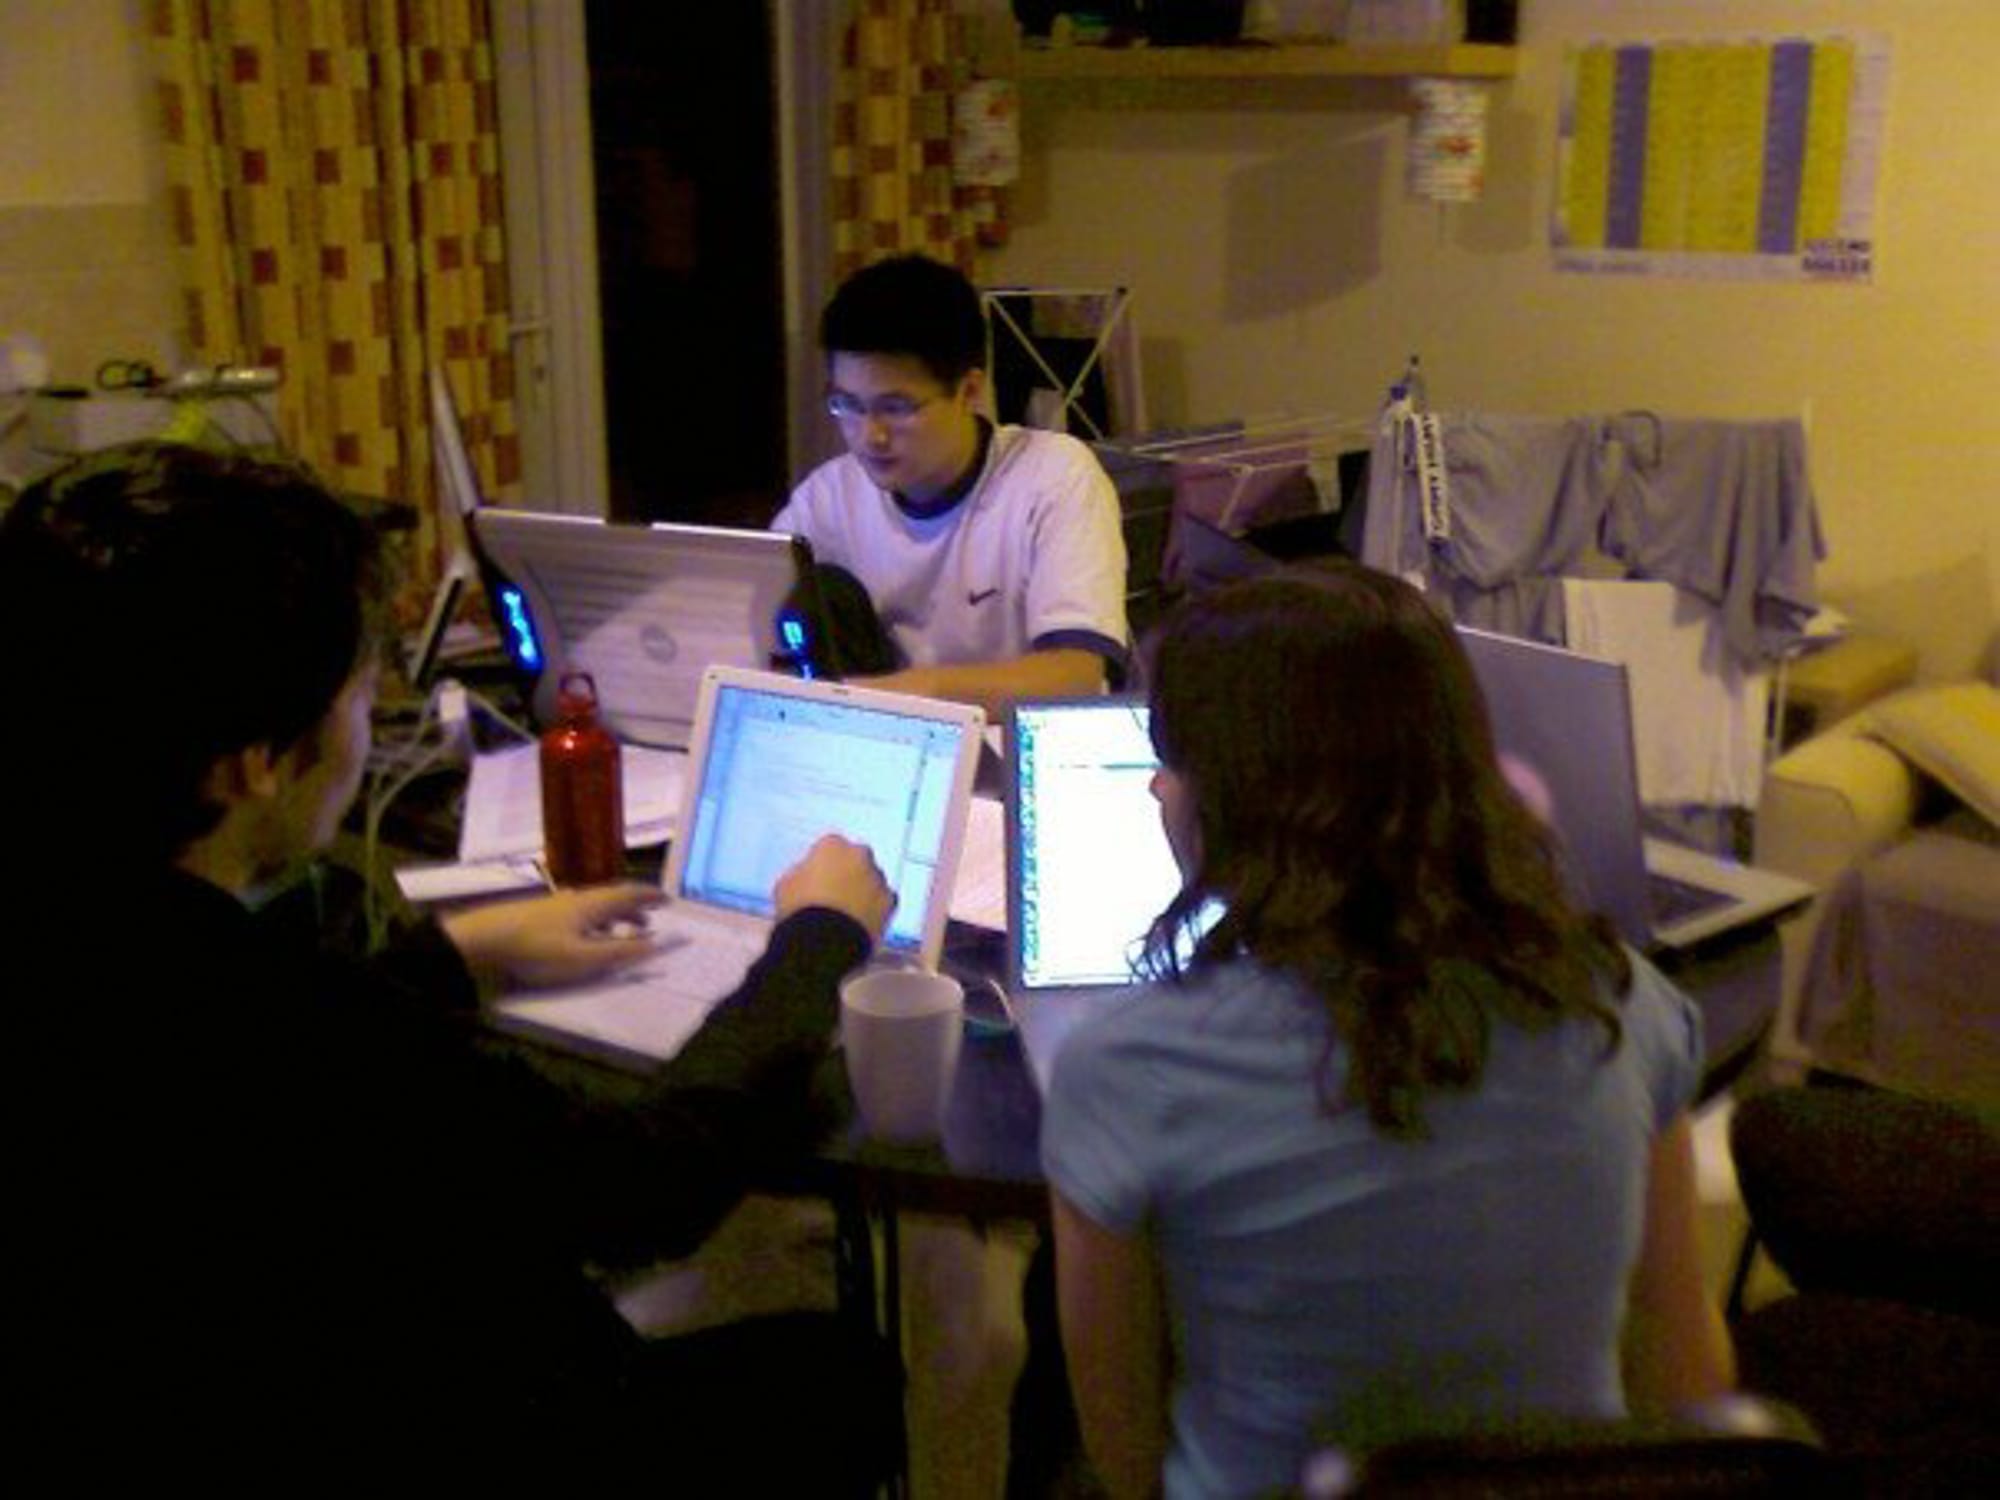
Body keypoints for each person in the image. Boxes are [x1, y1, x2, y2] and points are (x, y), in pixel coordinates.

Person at [0, 443, 896, 1479]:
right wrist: (817, 938)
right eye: (358, 697)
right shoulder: (293, 1034)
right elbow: (643, 1183)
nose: (362, 729)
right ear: (255, 765)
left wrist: (460, 952)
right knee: (842, 1374)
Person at [1040, 564, 1736, 1499]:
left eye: (1175, 761)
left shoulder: (1124, 1068)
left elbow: (1129, 1461)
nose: (1160, 789)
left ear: (1239, 799)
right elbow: (1684, 1388)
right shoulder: (1622, 1002)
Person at [773, 252, 1129, 715]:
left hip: (1016, 748)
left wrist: (894, 694)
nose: (870, 435)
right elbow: (746, 625)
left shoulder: (1054, 477)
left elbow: (1075, 676)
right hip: (894, 738)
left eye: (896, 408)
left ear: (969, 391)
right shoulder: (829, 498)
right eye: (848, 405)